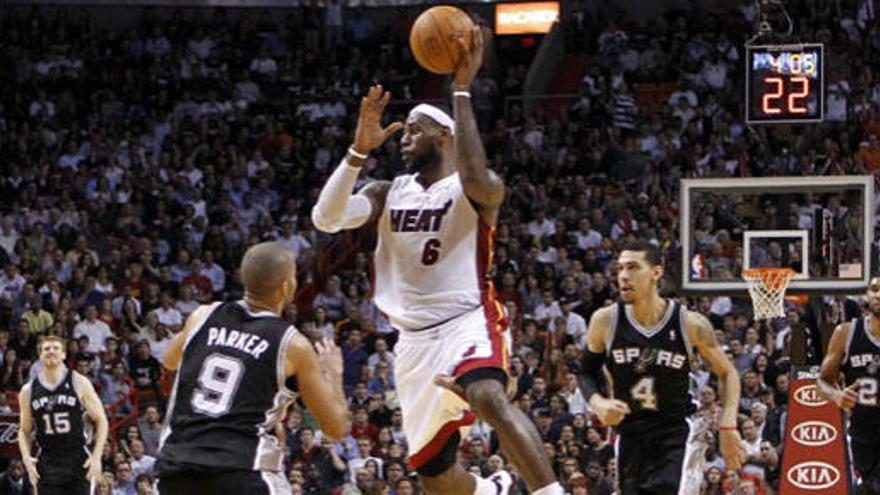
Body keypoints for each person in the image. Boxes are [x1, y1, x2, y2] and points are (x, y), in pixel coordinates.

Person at [311, 26, 562, 495]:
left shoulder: (476, 189)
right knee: (435, 478)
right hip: (411, 341)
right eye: (402, 130)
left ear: (445, 136)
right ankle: (493, 490)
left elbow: (473, 170)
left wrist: (461, 88)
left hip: (466, 319)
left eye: (414, 129)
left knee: (487, 394)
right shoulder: (387, 192)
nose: (403, 137)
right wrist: (358, 151)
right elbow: (327, 219)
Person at [156, 242, 349, 494]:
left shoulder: (203, 315)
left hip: (176, 470)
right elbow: (336, 428)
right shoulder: (293, 344)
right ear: (286, 286)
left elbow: (170, 360)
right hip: (242, 471)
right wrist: (334, 374)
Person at [578, 240, 745, 494]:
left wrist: (728, 425)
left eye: (633, 268)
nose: (623, 276)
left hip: (677, 431)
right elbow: (586, 372)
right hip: (630, 433)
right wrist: (598, 403)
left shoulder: (690, 324)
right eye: (620, 269)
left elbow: (727, 372)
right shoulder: (605, 321)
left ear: (656, 273)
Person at [18, 335, 109, 494]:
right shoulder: (28, 390)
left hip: (77, 458)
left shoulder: (79, 382)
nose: (51, 351)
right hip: (47, 459)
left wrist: (97, 457)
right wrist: (26, 458)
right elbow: (24, 430)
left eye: (56, 348)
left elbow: (101, 420)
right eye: (46, 349)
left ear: (64, 354)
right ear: (40, 355)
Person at [817, 276, 880, 494]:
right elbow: (821, 382)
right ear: (866, 294)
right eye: (874, 289)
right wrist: (836, 396)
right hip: (864, 435)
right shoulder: (845, 333)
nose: (878, 294)